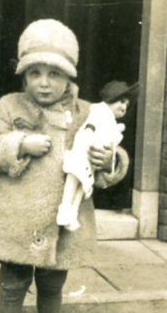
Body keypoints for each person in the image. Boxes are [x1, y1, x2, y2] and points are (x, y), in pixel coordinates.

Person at [0, 19, 130, 313]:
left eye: (54, 74)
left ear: (69, 77)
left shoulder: (88, 112)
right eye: (34, 73)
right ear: (23, 75)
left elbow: (111, 147)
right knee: (13, 282)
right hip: (17, 216)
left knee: (52, 284)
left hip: (64, 218)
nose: (43, 82)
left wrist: (106, 159)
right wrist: (17, 144)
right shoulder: (8, 106)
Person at [57, 80, 139, 231]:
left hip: (90, 158)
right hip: (82, 152)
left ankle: (72, 213)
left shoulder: (96, 113)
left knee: (83, 184)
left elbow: (112, 148)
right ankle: (65, 208)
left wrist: (111, 161)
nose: (124, 107)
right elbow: (91, 125)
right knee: (74, 179)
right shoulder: (99, 111)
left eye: (126, 105)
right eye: (121, 102)